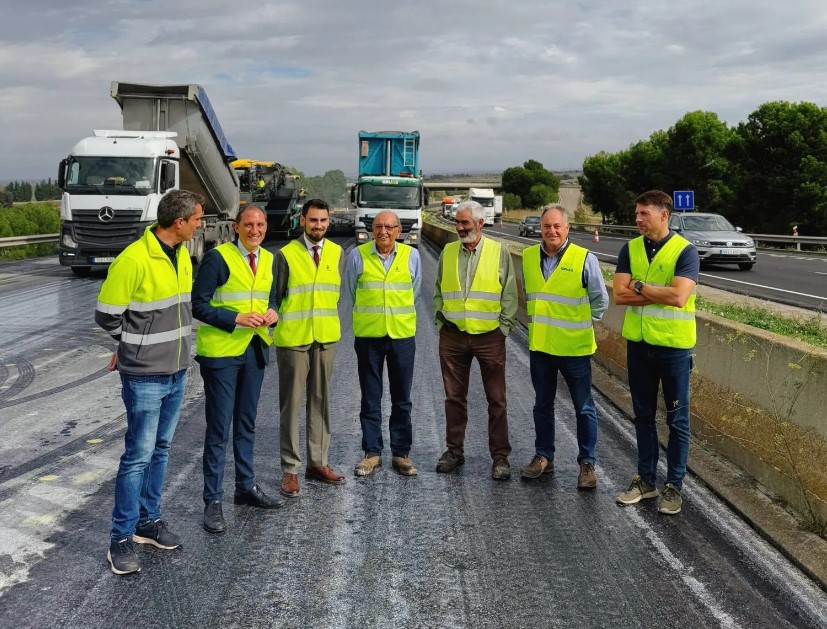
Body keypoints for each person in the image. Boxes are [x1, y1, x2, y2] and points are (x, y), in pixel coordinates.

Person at [94, 189, 204, 575]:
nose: (199, 224)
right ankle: (120, 538)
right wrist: (129, 346)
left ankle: (148, 521)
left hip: (176, 371)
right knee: (137, 456)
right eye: (196, 219)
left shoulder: (183, 258)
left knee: (160, 450)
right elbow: (107, 315)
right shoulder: (134, 260)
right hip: (144, 375)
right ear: (179, 222)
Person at [192, 206, 284, 535]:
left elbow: (272, 298)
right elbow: (198, 304)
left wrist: (273, 312)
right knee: (219, 429)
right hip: (222, 353)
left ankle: (245, 487)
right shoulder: (219, 258)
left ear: (266, 227)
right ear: (237, 227)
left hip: (254, 349)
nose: (255, 230)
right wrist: (235, 318)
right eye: (249, 224)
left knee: (246, 424)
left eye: (260, 224)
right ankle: (212, 501)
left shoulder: (270, 260)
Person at [614, 190, 699, 515]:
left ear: (664, 215)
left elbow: (679, 298)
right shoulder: (630, 249)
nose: (637, 219)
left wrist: (638, 286)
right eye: (636, 214)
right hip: (639, 347)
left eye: (643, 214)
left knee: (677, 420)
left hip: (674, 349)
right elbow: (618, 296)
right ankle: (646, 482)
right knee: (643, 417)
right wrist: (656, 293)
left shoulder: (685, 251)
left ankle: (673, 486)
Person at [519, 204, 609, 489]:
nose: (552, 231)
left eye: (557, 226)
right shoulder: (528, 256)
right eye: (547, 226)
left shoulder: (585, 259)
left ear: (567, 228)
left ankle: (587, 464)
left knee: (583, 408)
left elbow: (600, 300)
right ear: (540, 229)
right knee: (542, 405)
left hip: (575, 349)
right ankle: (544, 456)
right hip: (542, 347)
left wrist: (582, 321)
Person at [433, 200, 518, 480]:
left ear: (480, 223)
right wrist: (440, 321)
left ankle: (500, 457)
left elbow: (509, 294)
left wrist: (502, 328)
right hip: (453, 336)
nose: (458, 228)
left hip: (489, 337)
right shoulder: (448, 251)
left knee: (497, 400)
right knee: (454, 398)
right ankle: (454, 451)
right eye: (457, 222)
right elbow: (438, 289)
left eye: (464, 223)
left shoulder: (498, 252)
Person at [274, 199, 345, 497]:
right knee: (291, 405)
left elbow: (336, 294)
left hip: (325, 337)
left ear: (328, 222)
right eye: (313, 220)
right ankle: (290, 469)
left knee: (321, 402)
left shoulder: (338, 252)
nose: (319, 226)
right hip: (294, 338)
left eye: (323, 221)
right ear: (302, 221)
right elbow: (276, 298)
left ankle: (318, 463)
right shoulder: (285, 255)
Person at [343, 210, 422, 477]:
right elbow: (352, 292)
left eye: (389, 227)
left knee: (402, 399)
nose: (383, 232)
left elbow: (416, 291)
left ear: (399, 231)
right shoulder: (357, 256)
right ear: (372, 229)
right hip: (369, 337)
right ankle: (372, 453)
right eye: (378, 226)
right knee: (370, 397)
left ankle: (401, 454)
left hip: (401, 336)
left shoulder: (412, 257)